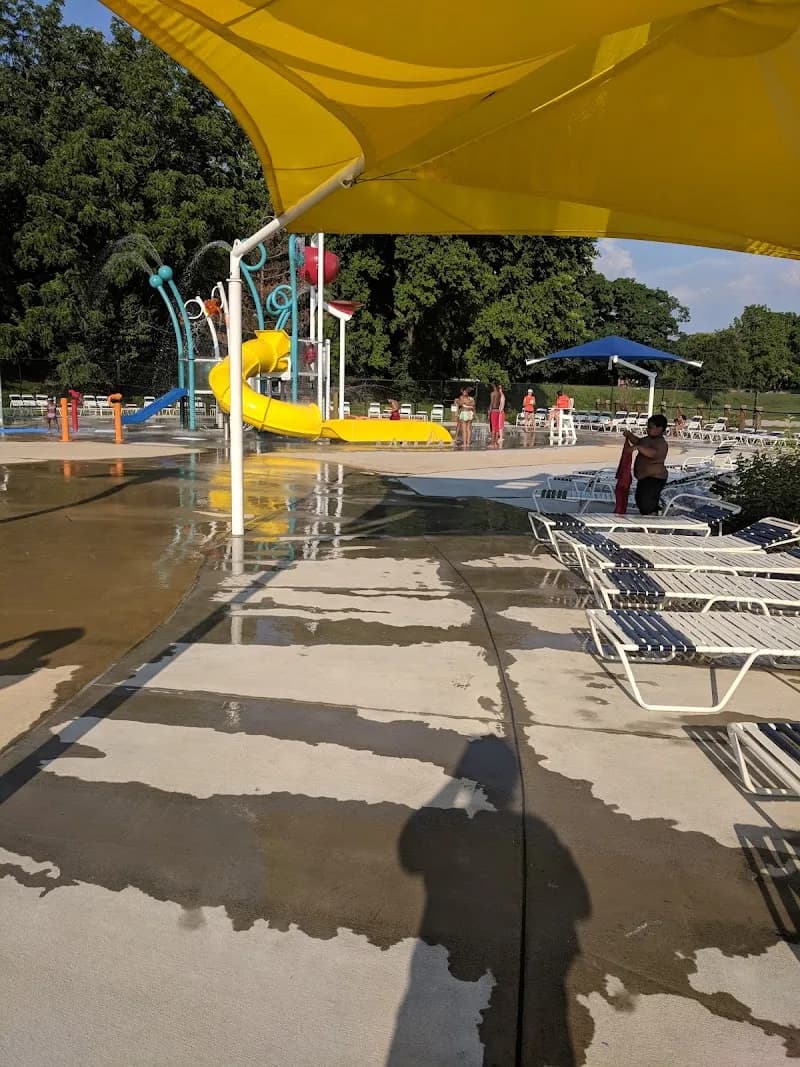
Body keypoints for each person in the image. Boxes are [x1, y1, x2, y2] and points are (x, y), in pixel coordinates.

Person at [622, 413, 669, 515]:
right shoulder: (647, 439)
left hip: (655, 478)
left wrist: (637, 448)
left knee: (647, 503)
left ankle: (654, 517)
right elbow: (638, 441)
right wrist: (629, 435)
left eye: (650, 427)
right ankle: (649, 516)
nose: (647, 429)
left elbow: (653, 454)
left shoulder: (661, 443)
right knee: (640, 499)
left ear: (659, 429)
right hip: (644, 477)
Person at [488, 383, 501, 447]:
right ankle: (496, 443)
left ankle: (492, 444)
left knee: (493, 428)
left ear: (493, 386)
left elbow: (491, 403)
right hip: (498, 411)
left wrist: (489, 412)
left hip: (493, 410)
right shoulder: (499, 394)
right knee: (496, 428)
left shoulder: (492, 393)